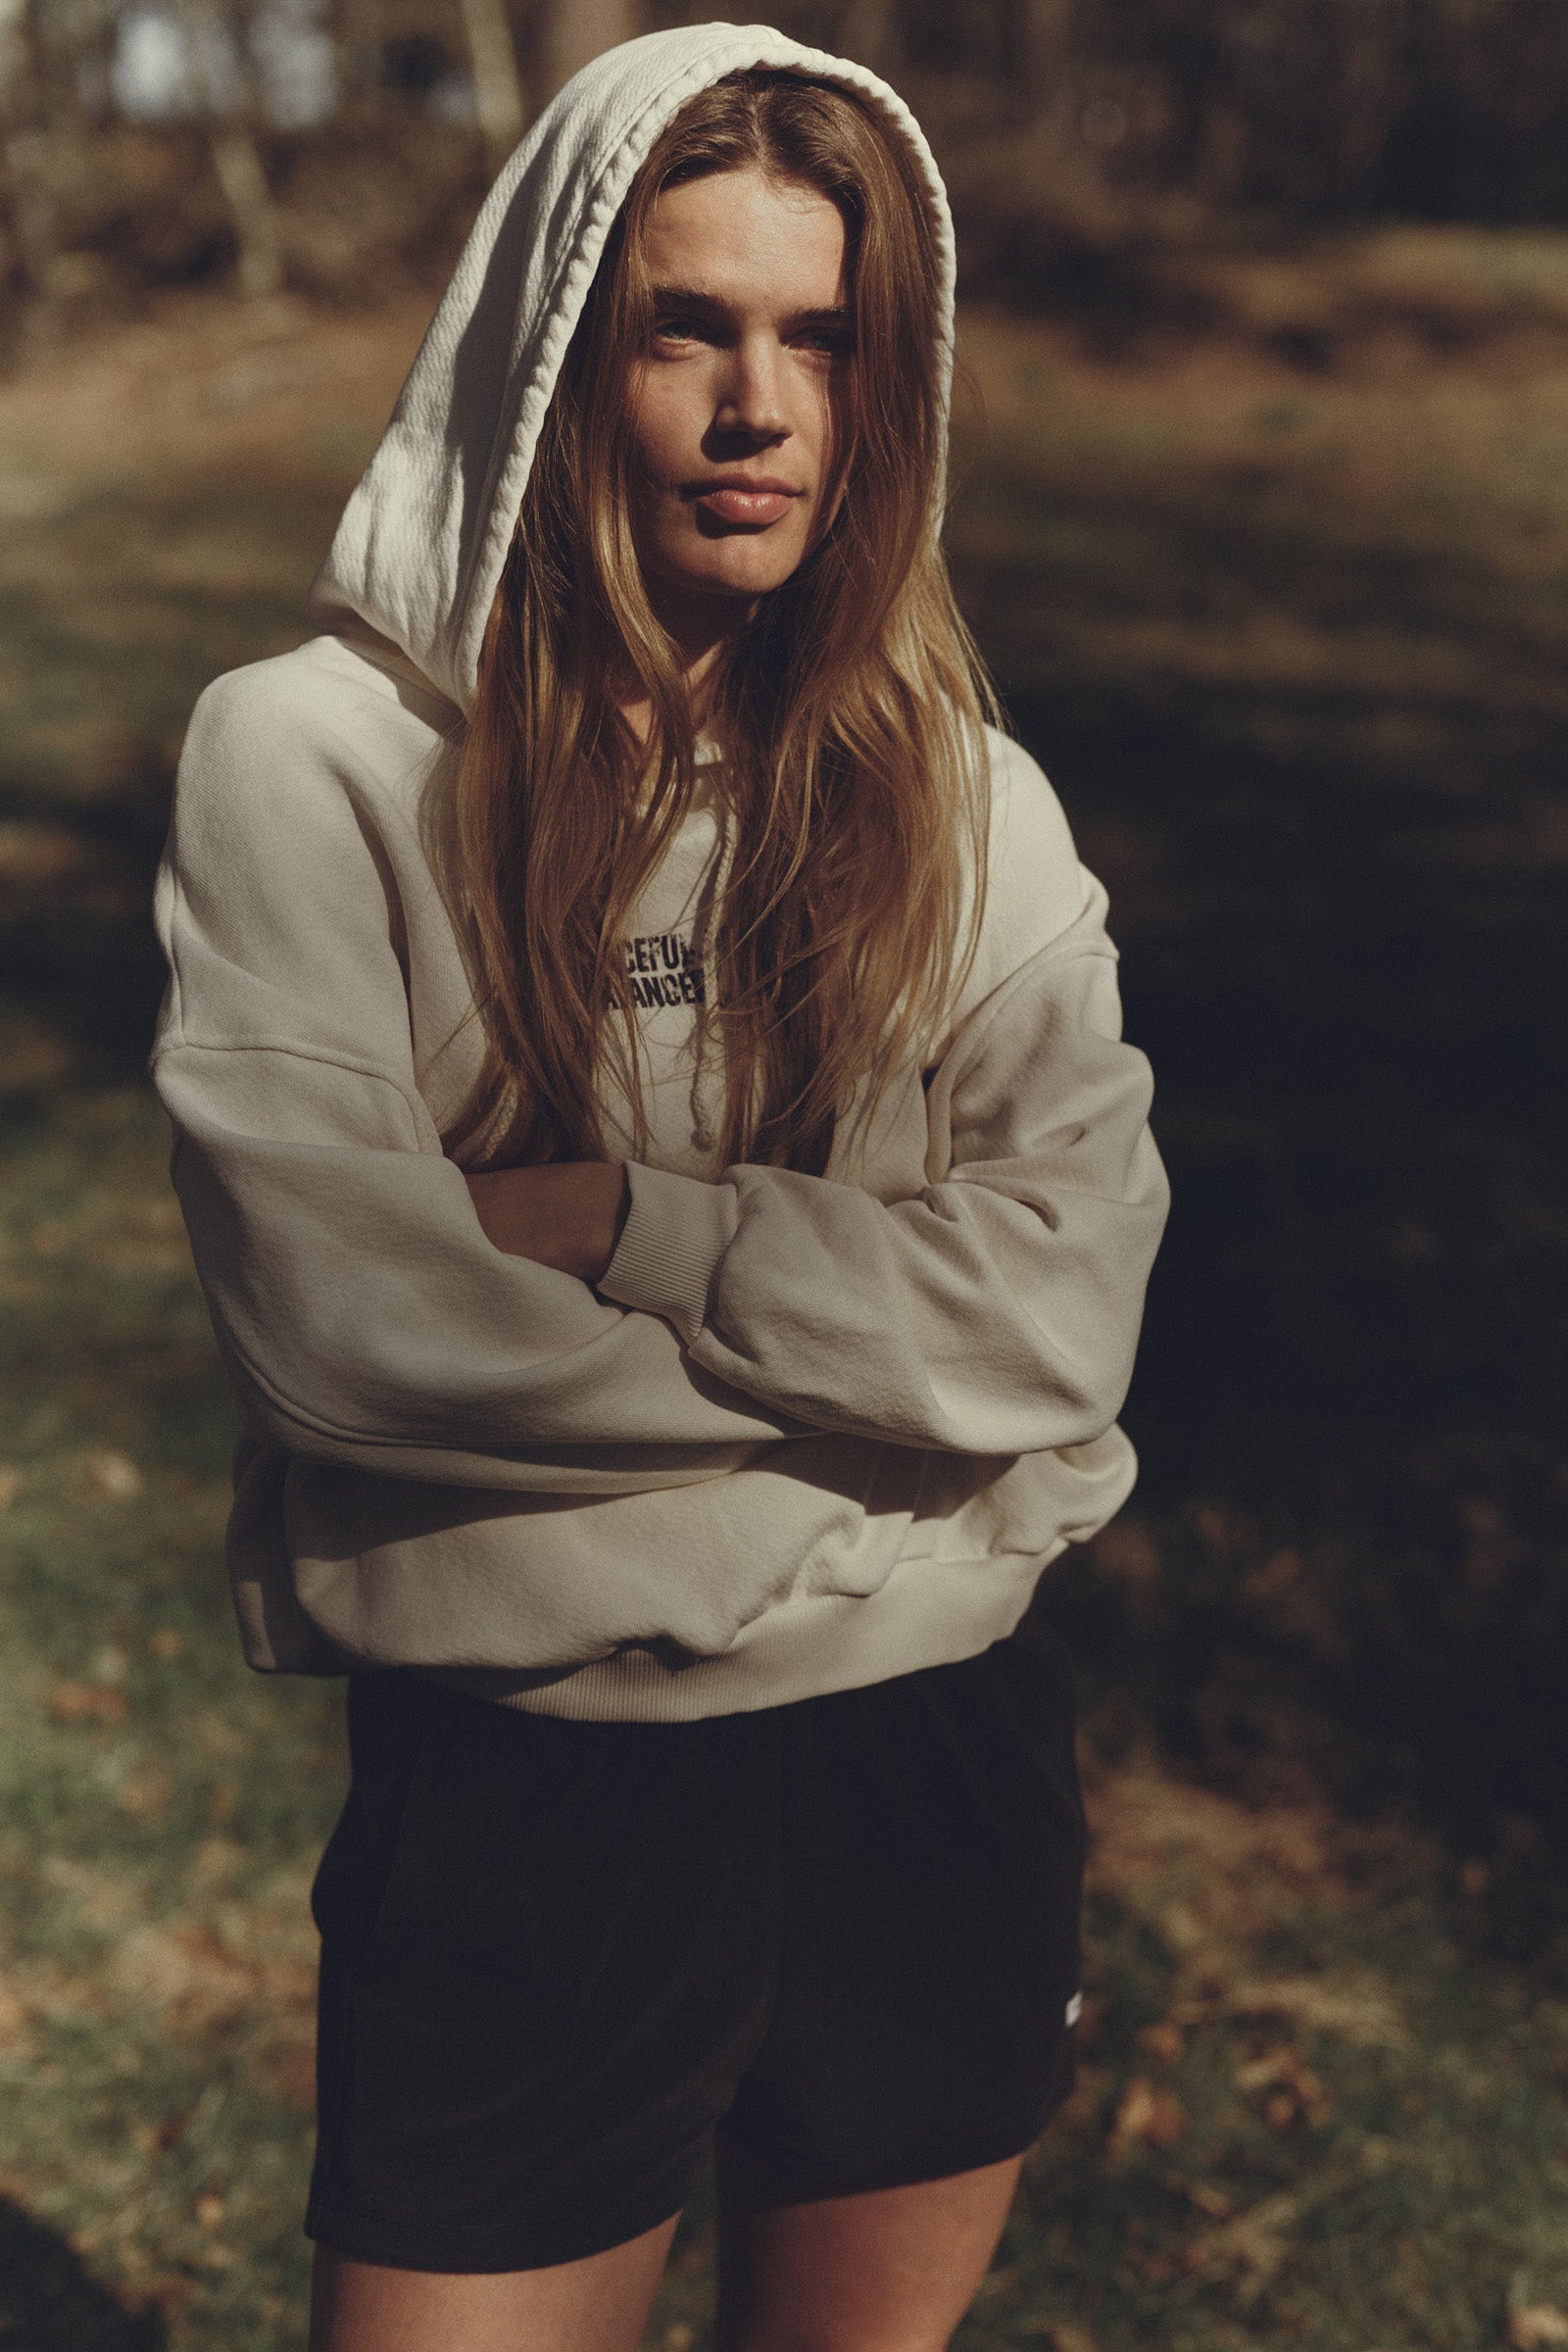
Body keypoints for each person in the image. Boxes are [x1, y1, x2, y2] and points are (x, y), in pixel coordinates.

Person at [151, 23, 1168, 2352]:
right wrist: (890, 1428)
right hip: (537, 1797)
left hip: (931, 1762)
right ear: (546, 354)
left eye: (822, 338)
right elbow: (354, 1335)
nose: (757, 410)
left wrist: (634, 1225)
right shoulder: (310, 764)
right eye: (682, 329)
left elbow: (1068, 1313)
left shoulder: (968, 804)